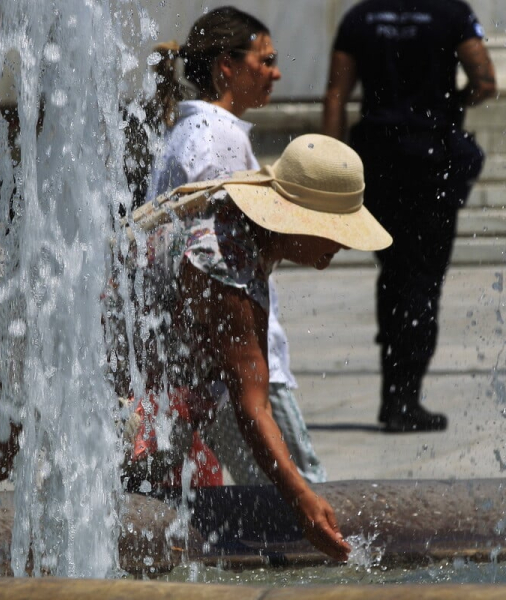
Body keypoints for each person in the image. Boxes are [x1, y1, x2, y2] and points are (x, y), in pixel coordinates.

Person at [0, 133, 393, 562]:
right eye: (334, 231)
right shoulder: (228, 265)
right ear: (297, 216)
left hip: (76, 344)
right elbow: (251, 405)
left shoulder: (236, 221)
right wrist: (302, 497)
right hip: (78, 359)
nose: (342, 244)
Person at [147, 7, 326, 485]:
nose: (276, 71)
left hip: (209, 361)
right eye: (264, 60)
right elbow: (212, 258)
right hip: (234, 360)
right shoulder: (216, 138)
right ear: (227, 65)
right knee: (298, 491)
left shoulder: (193, 131)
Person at [322, 0, 497, 433]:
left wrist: (328, 163)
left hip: (378, 157)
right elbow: (486, 80)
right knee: (423, 278)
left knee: (394, 271)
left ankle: (393, 396)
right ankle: (405, 398)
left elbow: (336, 95)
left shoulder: (360, 17)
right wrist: (451, 103)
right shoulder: (451, 13)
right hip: (431, 156)